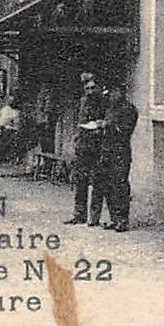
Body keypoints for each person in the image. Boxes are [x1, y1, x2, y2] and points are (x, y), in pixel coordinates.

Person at [66, 71, 106, 225]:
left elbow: (106, 121)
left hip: (97, 146)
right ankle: (79, 215)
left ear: (98, 88)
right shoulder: (83, 102)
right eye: (87, 88)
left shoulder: (103, 102)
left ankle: (94, 217)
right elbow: (80, 122)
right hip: (83, 145)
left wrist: (98, 127)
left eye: (92, 88)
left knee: (97, 182)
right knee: (80, 181)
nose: (90, 91)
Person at [99, 83, 139, 231]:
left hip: (120, 152)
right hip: (107, 150)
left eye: (114, 92)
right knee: (108, 185)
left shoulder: (129, 109)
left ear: (122, 92)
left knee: (120, 184)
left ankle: (123, 219)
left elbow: (125, 130)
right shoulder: (110, 108)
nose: (111, 95)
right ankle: (113, 218)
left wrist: (107, 125)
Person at [0, 95, 24, 164]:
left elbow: (17, 124)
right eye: (10, 101)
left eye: (13, 101)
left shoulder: (17, 113)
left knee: (11, 138)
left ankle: (9, 157)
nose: (11, 102)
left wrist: (12, 128)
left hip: (8, 129)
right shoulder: (5, 108)